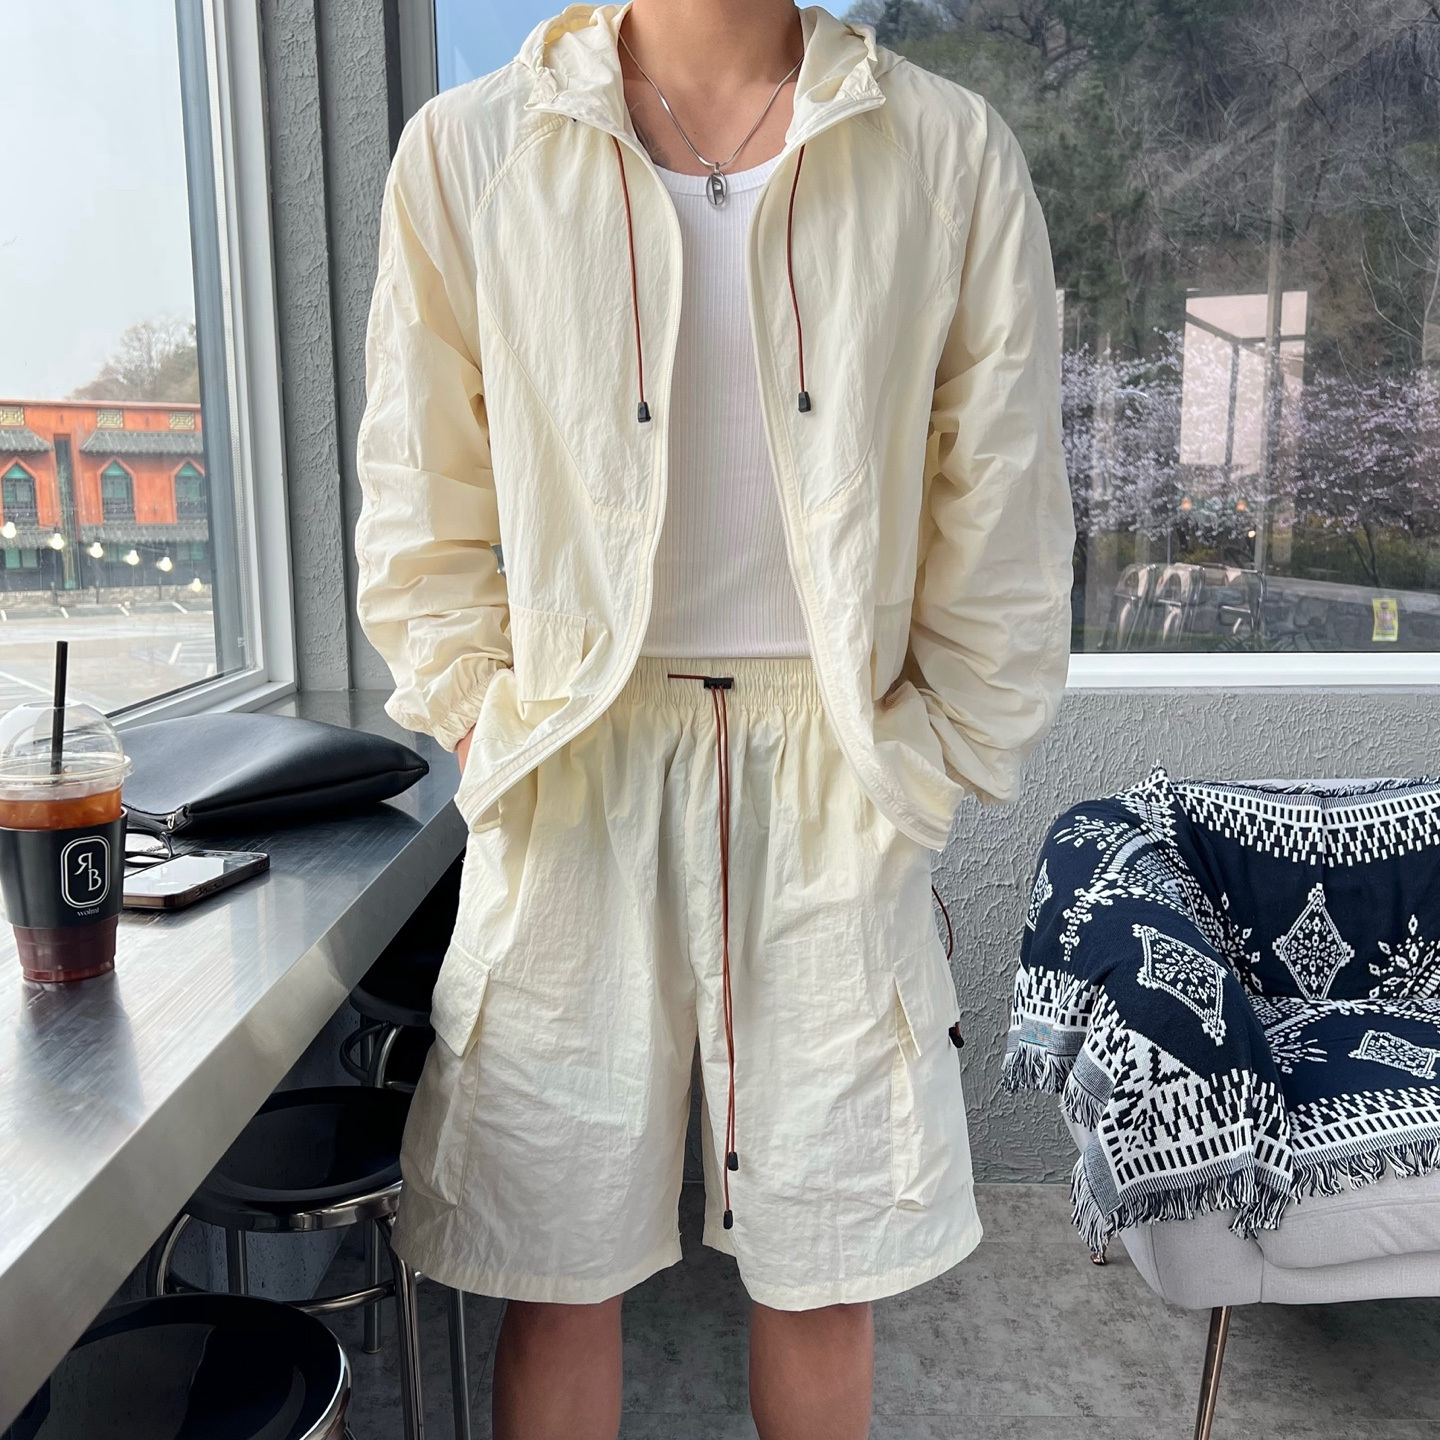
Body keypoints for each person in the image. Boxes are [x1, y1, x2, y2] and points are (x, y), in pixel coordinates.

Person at [354, 1, 1073, 1435]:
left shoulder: (942, 149)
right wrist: (484, 720)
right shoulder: (471, 151)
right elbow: (418, 491)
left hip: (837, 759)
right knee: (556, 1268)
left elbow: (1002, 492)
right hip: (575, 753)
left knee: (826, 1271)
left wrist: (932, 757)